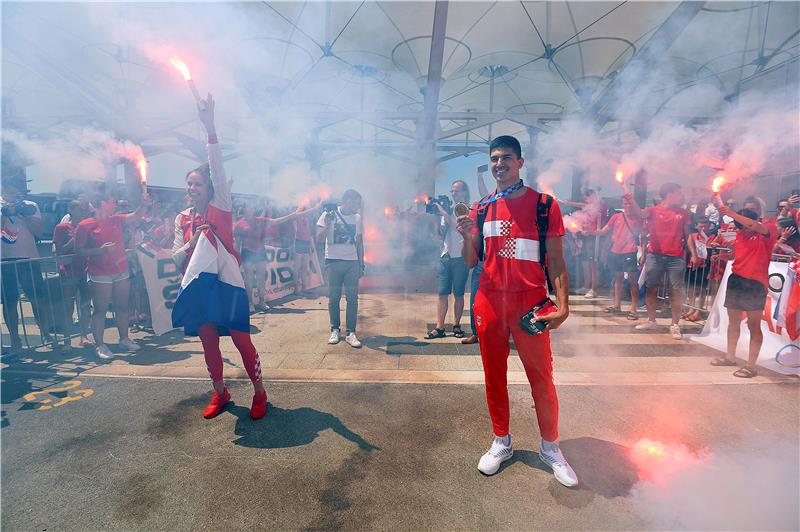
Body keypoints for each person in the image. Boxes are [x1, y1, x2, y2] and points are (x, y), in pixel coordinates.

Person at [456, 135, 577, 487]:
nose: (499, 164)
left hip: (530, 304)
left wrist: (564, 305)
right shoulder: (481, 207)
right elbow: (470, 261)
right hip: (490, 301)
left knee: (541, 378)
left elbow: (556, 260)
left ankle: (550, 446)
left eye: (506, 158)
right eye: (494, 159)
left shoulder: (544, 205)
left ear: (520, 163)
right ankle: (501, 441)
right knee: (494, 376)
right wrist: (467, 238)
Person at [171, 94, 268, 420]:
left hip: (227, 287)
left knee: (242, 341)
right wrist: (190, 244)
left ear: (210, 187)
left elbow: (217, 168)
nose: (191, 188)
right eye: (188, 184)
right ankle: (220, 393)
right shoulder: (182, 219)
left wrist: (210, 126)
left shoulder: (220, 208)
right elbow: (174, 258)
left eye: (196, 183)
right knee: (209, 345)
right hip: (200, 290)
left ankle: (259, 391)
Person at [75, 185, 149, 359]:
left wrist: (144, 204)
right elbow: (79, 251)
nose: (116, 204)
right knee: (100, 309)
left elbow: (137, 215)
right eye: (113, 201)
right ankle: (100, 345)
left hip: (121, 270)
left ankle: (124, 339)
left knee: (122, 307)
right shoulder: (85, 225)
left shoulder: (116, 219)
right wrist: (100, 251)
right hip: (99, 273)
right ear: (103, 203)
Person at [709, 207, 778, 378]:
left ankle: (751, 366)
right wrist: (723, 257)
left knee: (753, 325)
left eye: (742, 222)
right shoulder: (739, 235)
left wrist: (731, 213)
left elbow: (754, 225)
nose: (740, 226)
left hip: (755, 284)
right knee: (733, 322)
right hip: (737, 280)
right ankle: (730, 356)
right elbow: (737, 254)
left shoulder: (767, 232)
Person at [626, 183, 698, 339]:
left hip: (676, 257)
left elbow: (688, 234)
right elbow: (640, 214)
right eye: (678, 193)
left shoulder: (683, 213)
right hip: (655, 255)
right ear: (669, 194)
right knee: (651, 288)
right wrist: (631, 201)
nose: (681, 196)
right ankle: (651, 320)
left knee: (676, 291)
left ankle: (675, 325)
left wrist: (693, 253)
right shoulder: (653, 211)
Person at [1, 172, 52, 350]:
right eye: (11, 192)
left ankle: (46, 333)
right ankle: (15, 339)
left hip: (30, 258)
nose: (15, 195)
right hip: (5, 260)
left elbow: (38, 231)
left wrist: (23, 213)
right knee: (9, 302)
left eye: (18, 193)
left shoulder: (30, 206)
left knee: (38, 298)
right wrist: (6, 213)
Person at [317, 190, 364, 348]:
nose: (358, 206)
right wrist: (329, 224)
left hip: (352, 262)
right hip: (333, 261)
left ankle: (351, 332)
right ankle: (335, 329)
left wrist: (361, 264)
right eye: (356, 202)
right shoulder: (327, 214)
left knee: (352, 299)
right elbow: (318, 238)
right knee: (334, 298)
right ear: (347, 201)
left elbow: (359, 242)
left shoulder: (357, 218)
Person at [425, 180, 471, 340]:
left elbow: (459, 228)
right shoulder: (449, 210)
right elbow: (439, 235)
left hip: (461, 257)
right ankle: (440, 327)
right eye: (452, 191)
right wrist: (436, 218)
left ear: (465, 192)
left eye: (457, 191)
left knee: (458, 294)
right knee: (442, 294)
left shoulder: (467, 209)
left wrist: (444, 213)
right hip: (445, 256)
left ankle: (456, 324)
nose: (453, 194)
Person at [593, 195, 641, 319]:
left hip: (630, 251)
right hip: (616, 251)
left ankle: (634, 310)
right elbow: (604, 231)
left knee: (633, 280)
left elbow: (644, 236)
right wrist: (589, 231)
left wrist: (644, 254)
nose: (628, 206)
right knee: (618, 278)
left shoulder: (638, 218)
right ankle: (617, 305)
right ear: (622, 204)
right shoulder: (616, 217)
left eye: (630, 203)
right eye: (625, 203)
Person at [52, 199, 92, 346]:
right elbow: (60, 250)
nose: (83, 212)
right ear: (71, 210)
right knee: (68, 308)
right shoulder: (61, 227)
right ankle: (67, 341)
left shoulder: (87, 227)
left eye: (85, 209)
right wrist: (75, 237)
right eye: (80, 209)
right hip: (68, 272)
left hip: (85, 270)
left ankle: (84, 336)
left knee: (86, 306)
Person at [463, 168, 490, 345]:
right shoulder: (479, 209)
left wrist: (479, 177)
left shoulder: (495, 205)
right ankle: (475, 332)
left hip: (498, 261)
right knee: (475, 299)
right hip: (482, 260)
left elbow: (486, 195)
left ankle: (497, 332)